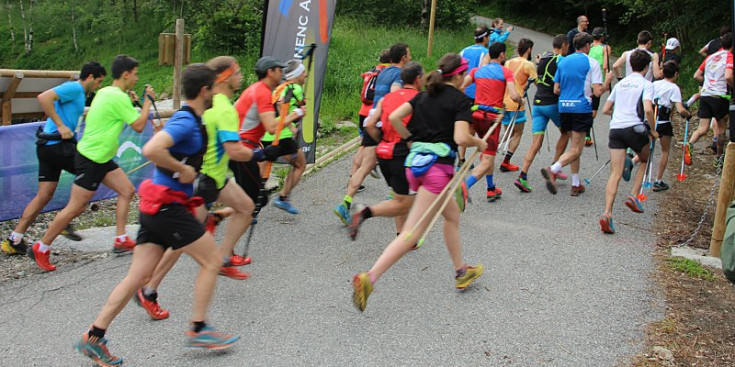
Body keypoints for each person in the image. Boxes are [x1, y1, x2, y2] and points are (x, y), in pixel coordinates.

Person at [73, 64, 240, 366]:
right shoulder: (187, 122)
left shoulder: (191, 120)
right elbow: (152, 149)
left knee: (136, 276)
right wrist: (183, 169)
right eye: (214, 88)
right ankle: (199, 329)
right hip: (167, 208)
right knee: (213, 260)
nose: (218, 93)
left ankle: (93, 337)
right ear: (205, 91)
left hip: (157, 207)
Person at [132, 57, 284, 322]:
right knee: (183, 241)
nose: (241, 76)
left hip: (216, 177)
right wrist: (263, 154)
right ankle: (150, 290)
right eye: (236, 72)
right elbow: (234, 151)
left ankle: (223, 256)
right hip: (204, 180)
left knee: (247, 206)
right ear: (223, 78)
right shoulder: (223, 107)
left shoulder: (219, 105)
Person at [352, 53, 487, 312]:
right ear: (458, 76)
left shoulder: (423, 95)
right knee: (411, 233)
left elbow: (393, 118)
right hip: (436, 171)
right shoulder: (459, 100)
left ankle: (461, 270)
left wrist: (411, 139)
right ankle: (370, 277)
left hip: (416, 166)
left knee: (452, 215)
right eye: (465, 75)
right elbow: (461, 137)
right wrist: (478, 142)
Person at [27, 55, 157, 272]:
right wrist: (146, 102)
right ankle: (41, 246)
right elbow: (139, 126)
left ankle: (121, 238)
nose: (136, 78)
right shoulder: (117, 97)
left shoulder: (107, 92)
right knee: (75, 207)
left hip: (102, 157)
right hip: (92, 158)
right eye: (135, 74)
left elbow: (117, 114)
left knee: (126, 190)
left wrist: (133, 101)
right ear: (126, 74)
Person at [1, 62, 106, 256]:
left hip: (48, 147)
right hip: (59, 146)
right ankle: (64, 221)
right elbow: (44, 97)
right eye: (99, 81)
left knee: (44, 195)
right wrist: (61, 126)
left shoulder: (80, 94)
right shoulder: (75, 87)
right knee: (91, 174)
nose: (98, 86)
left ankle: (13, 240)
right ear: (90, 77)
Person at [334, 43, 411, 225]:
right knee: (400, 158)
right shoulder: (399, 74)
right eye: (409, 54)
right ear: (403, 57)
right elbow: (393, 96)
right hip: (384, 122)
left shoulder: (383, 71)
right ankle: (395, 197)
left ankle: (344, 204)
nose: (410, 56)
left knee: (365, 166)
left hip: (371, 119)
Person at [347, 62, 424, 239]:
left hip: (384, 154)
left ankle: (402, 236)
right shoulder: (420, 98)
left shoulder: (386, 98)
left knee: (400, 197)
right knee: (404, 203)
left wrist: (381, 140)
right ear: (418, 79)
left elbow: (370, 124)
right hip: (403, 155)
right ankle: (365, 212)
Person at [230, 56, 304, 225]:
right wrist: (295, 115)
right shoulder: (262, 92)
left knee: (253, 197)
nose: (282, 73)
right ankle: (217, 223)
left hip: (247, 145)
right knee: (251, 201)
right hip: (241, 148)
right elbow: (271, 127)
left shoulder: (256, 89)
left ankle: (225, 228)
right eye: (279, 70)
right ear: (270, 72)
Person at [541, 32, 613, 196]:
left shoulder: (564, 61)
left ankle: (575, 183)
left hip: (564, 107)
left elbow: (556, 89)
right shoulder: (592, 63)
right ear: (587, 46)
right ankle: (553, 169)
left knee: (575, 146)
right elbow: (597, 92)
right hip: (581, 108)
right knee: (576, 149)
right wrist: (608, 80)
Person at [598, 50, 657, 234]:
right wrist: (653, 130)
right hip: (635, 128)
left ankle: (607, 213)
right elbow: (648, 109)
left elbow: (606, 109)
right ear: (647, 67)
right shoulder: (646, 84)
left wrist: (619, 114)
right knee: (645, 158)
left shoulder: (621, 83)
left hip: (616, 128)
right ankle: (633, 195)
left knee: (615, 173)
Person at [461, 42, 521, 202]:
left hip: (476, 116)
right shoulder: (506, 72)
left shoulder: (477, 71)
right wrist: (520, 100)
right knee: (487, 159)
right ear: (501, 55)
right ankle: (464, 186)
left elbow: (460, 86)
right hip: (491, 120)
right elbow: (514, 96)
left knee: (488, 154)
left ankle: (491, 188)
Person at [514, 35, 570, 192]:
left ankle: (522, 176)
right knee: (566, 133)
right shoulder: (561, 60)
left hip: (538, 103)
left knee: (536, 142)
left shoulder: (544, 57)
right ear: (564, 45)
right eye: (567, 46)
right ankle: (555, 167)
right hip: (551, 104)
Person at [262, 59, 309, 214]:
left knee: (262, 173)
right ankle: (282, 198)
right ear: (296, 75)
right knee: (300, 164)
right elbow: (281, 104)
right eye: (303, 72)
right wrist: (290, 125)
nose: (306, 75)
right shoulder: (295, 88)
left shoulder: (282, 86)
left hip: (268, 133)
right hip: (282, 135)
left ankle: (250, 208)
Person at [685, 32, 733, 162]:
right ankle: (719, 157)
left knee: (703, 128)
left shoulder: (710, 57)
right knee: (722, 128)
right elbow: (728, 76)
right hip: (720, 95)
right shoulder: (730, 56)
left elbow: (697, 75)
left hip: (705, 94)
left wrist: (707, 83)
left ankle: (689, 144)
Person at [353, 50, 391, 193]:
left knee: (364, 144)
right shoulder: (388, 73)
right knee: (370, 145)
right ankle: (369, 165)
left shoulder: (373, 70)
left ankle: (355, 175)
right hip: (375, 113)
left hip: (363, 112)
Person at [498, 38, 537, 173]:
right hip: (517, 102)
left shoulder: (508, 62)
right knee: (518, 133)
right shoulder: (529, 65)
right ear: (529, 49)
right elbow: (538, 83)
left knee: (508, 132)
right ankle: (506, 161)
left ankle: (490, 148)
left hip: (504, 100)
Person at [652, 61, 691, 192]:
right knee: (665, 150)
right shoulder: (674, 88)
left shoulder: (654, 84)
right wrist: (688, 114)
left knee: (647, 146)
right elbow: (680, 109)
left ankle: (633, 161)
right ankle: (658, 180)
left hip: (651, 119)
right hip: (664, 122)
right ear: (675, 74)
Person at [457, 26, 491, 167]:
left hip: (462, 91)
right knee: (478, 126)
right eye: (488, 37)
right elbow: (484, 72)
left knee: (465, 125)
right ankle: (486, 156)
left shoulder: (464, 50)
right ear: (485, 38)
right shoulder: (486, 53)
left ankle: (462, 159)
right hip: (477, 94)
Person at [586, 27, 612, 147]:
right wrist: (606, 79)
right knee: (593, 110)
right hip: (597, 81)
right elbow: (606, 65)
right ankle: (586, 133)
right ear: (602, 37)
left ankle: (584, 132)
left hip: (586, 80)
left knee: (587, 105)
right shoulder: (605, 48)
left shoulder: (589, 47)